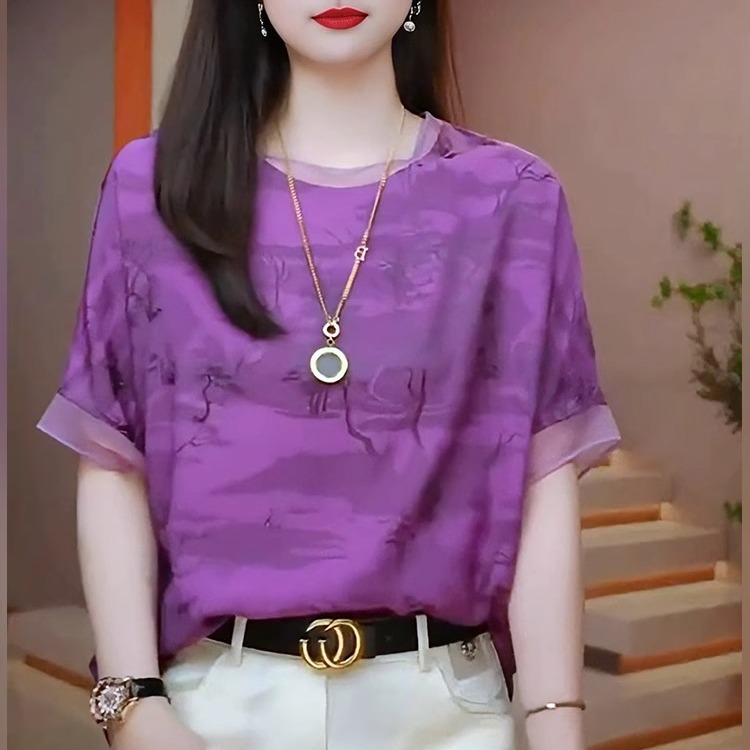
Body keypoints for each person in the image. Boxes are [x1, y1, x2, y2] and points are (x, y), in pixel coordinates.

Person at [38, 1, 621, 749]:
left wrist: (556, 722)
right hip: (214, 709)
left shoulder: (513, 195)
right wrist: (134, 706)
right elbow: (115, 457)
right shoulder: (152, 189)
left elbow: (541, 477)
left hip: (447, 711)